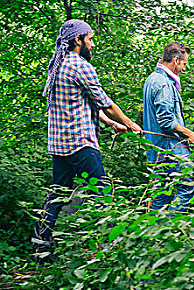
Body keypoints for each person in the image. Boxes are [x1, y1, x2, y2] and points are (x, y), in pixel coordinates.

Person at [33, 19, 142, 262]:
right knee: (102, 192)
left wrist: (113, 124)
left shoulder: (59, 65)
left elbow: (87, 105)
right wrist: (132, 124)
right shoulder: (79, 65)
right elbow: (106, 103)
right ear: (77, 40)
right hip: (81, 142)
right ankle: (110, 249)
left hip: (59, 145)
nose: (92, 44)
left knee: (57, 194)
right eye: (89, 39)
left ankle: (41, 248)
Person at [142, 42, 194, 215]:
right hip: (170, 146)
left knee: (162, 193)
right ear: (175, 60)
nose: (183, 68)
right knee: (187, 186)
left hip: (155, 147)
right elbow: (166, 121)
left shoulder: (151, 79)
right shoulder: (164, 84)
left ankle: (155, 232)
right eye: (184, 64)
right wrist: (189, 134)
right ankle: (174, 227)